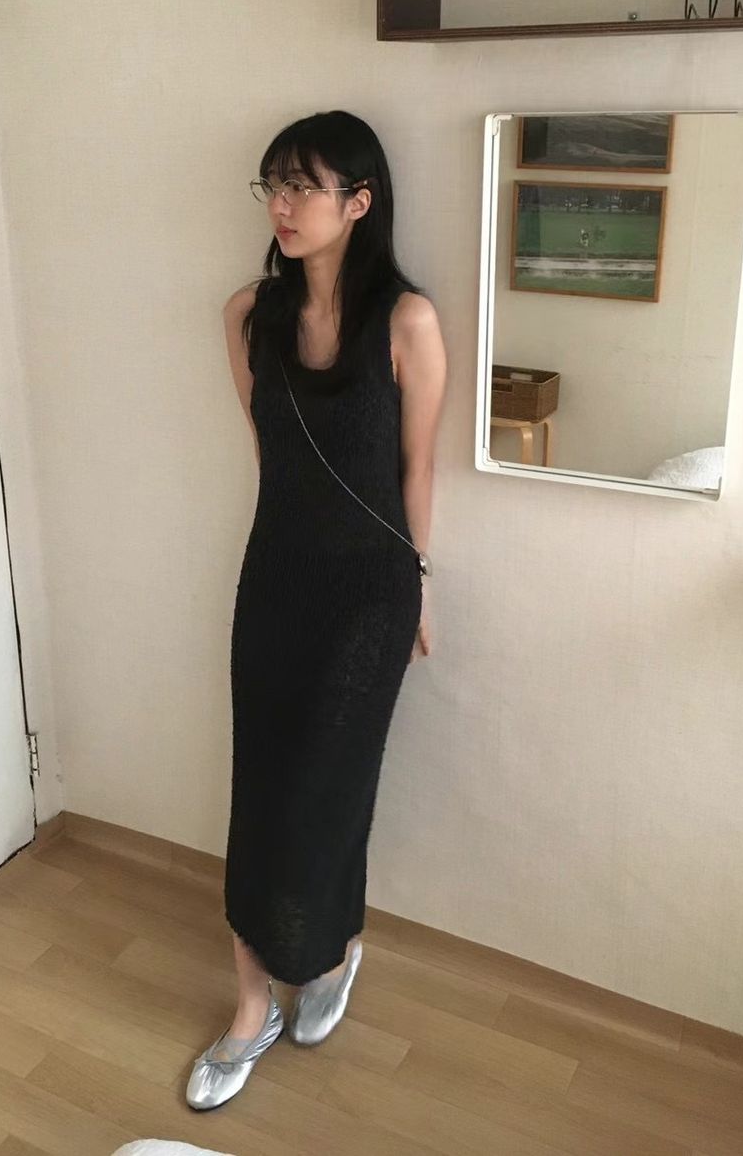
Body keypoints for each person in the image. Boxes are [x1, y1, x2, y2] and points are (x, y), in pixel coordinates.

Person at [186, 111, 446, 1110]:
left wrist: (420, 588)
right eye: (274, 184)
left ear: (360, 202)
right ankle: (252, 1004)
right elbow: (274, 457)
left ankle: (332, 951)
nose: (283, 205)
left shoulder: (408, 323)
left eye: (304, 186)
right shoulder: (246, 314)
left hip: (371, 592)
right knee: (261, 787)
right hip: (277, 578)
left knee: (328, 790)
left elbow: (416, 472)